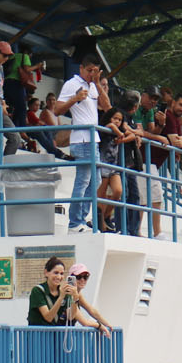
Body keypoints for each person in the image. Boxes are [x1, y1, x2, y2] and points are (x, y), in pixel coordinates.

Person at [54, 56, 110, 233]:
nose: (92, 74)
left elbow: (108, 107)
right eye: (89, 70)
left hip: (93, 139)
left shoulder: (93, 85)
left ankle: (81, 220)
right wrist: (75, 98)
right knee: (84, 180)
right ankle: (74, 222)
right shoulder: (72, 84)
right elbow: (57, 109)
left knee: (96, 181)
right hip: (82, 139)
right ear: (81, 68)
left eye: (95, 71)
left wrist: (98, 84)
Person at [26, 257, 107, 333]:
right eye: (56, 273)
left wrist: (75, 298)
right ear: (46, 272)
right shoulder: (38, 291)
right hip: (37, 337)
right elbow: (48, 317)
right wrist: (61, 297)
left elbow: (70, 316)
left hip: (56, 338)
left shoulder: (66, 291)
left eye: (61, 274)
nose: (59, 277)